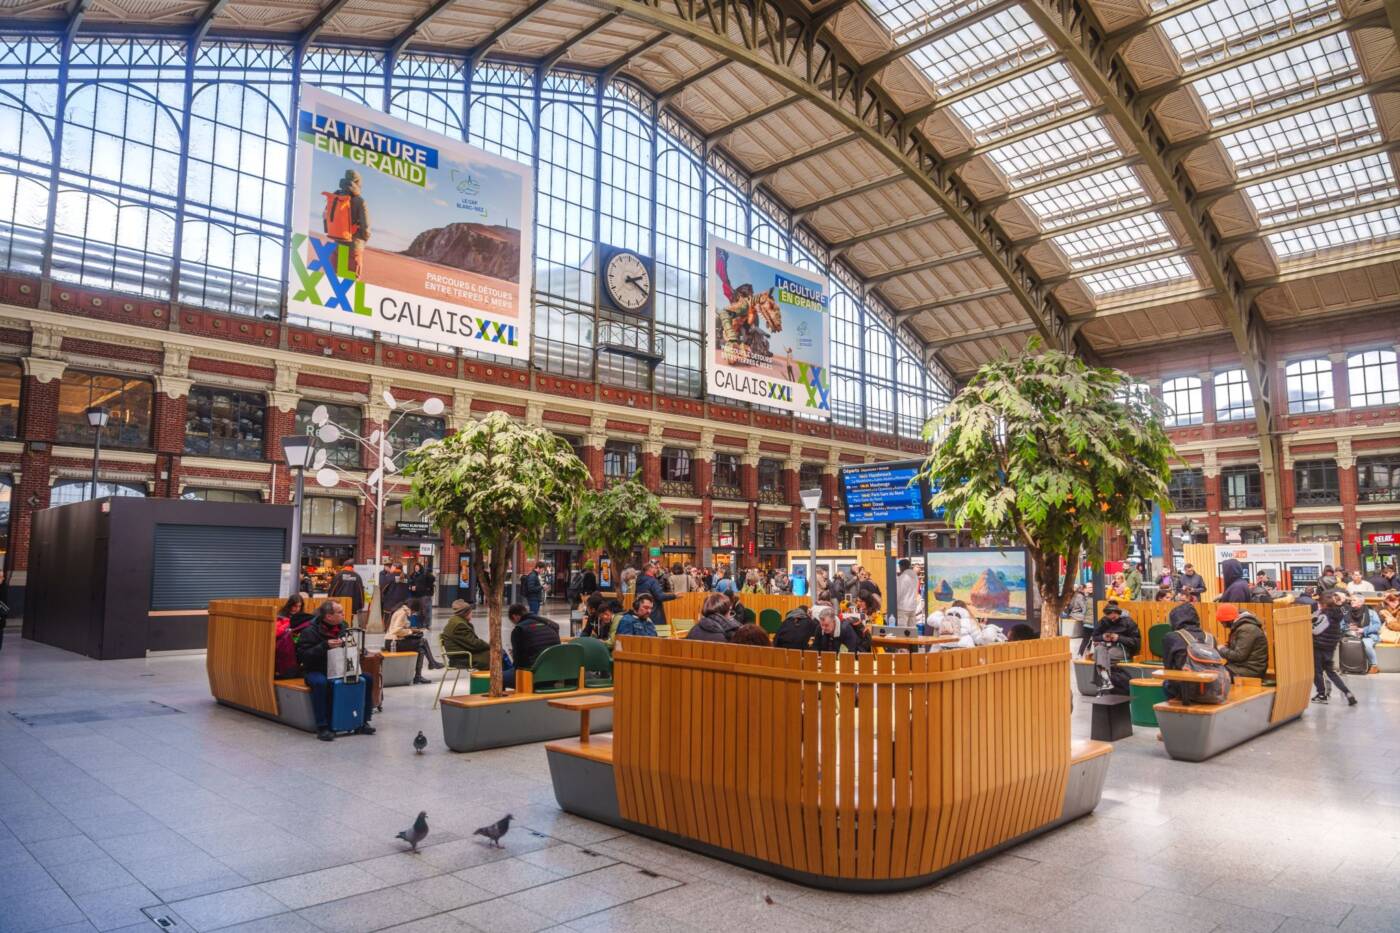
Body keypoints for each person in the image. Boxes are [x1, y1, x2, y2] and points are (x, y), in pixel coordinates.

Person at [296, 600, 376, 742]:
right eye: (339, 612)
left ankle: (363, 721)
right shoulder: (310, 631)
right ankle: (323, 726)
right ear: (328, 616)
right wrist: (324, 646)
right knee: (321, 683)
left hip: (341, 668)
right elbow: (303, 656)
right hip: (316, 669)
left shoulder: (344, 627)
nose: (343, 614)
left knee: (368, 678)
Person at [1159, 602, 1217, 703]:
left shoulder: (1171, 637)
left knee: (1166, 683)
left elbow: (1167, 666)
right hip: (1213, 688)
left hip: (1185, 691)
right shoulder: (1211, 637)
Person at [1083, 601, 1141, 694]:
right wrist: (1103, 637)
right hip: (1106, 647)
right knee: (1098, 650)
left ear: (1118, 613)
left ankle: (1102, 683)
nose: (1112, 620)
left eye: (1114, 618)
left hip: (1122, 648)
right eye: (1110, 619)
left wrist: (1119, 638)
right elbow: (1095, 636)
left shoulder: (1128, 622)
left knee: (1102, 656)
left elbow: (1135, 642)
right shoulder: (1104, 621)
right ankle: (1106, 682)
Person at [322, 168, 370, 276]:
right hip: (354, 247)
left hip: (338, 243)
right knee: (350, 284)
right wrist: (362, 240)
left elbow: (326, 217)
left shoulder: (335, 196)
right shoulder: (360, 201)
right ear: (358, 183)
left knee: (334, 280)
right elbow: (366, 228)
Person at [1313, 592, 1357, 705]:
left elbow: (1316, 630)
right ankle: (1348, 693)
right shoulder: (1337, 614)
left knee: (1317, 671)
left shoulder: (1324, 615)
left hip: (1319, 646)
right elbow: (1345, 609)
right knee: (1331, 672)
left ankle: (1321, 694)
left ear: (1324, 604)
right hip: (1330, 647)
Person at [385, 598, 443, 684]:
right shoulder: (402, 613)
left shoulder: (402, 610)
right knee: (422, 641)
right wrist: (411, 631)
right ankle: (430, 664)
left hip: (394, 641)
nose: (414, 614)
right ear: (413, 608)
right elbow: (396, 630)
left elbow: (400, 628)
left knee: (421, 650)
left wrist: (415, 630)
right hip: (394, 643)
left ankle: (419, 675)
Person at [1215, 603, 1268, 680]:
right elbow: (1237, 648)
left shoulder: (1247, 630)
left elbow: (1239, 656)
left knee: (1215, 675)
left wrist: (1221, 650)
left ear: (1229, 619)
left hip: (1251, 670)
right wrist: (1224, 648)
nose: (1223, 625)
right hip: (1242, 667)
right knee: (1212, 672)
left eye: (1222, 622)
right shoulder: (1242, 627)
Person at [509, 603, 560, 675]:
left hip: (534, 674)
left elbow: (518, 662)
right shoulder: (549, 624)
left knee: (501, 678)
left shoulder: (519, 629)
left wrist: (514, 654)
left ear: (514, 617)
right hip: (556, 671)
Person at [441, 600, 490, 670]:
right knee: (495, 654)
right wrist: (490, 645)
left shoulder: (456, 621)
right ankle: (502, 678)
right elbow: (474, 644)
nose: (472, 614)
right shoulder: (459, 625)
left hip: (461, 655)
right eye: (470, 612)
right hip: (461, 658)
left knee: (494, 653)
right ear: (465, 613)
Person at [1346, 593, 1382, 674]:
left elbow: (1377, 626)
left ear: (1361, 602)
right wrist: (1348, 628)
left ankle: (1374, 665)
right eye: (1351, 600)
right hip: (1351, 635)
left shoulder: (1371, 612)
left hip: (1368, 635)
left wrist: (1363, 630)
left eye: (1354, 600)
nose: (1351, 602)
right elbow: (1341, 625)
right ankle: (1350, 667)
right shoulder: (1347, 612)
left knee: (1367, 643)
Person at [633, 561, 677, 629]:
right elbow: (660, 596)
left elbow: (636, 596)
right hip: (655, 613)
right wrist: (674, 596)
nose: (657, 569)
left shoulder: (639, 580)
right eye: (655, 568)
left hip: (642, 612)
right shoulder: (653, 581)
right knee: (657, 635)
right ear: (650, 569)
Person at [895, 559, 920, 627]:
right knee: (912, 631)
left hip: (902, 607)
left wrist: (894, 604)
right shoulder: (915, 577)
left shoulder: (902, 577)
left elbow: (899, 592)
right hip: (912, 607)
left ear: (902, 566)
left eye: (900, 567)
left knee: (902, 631)